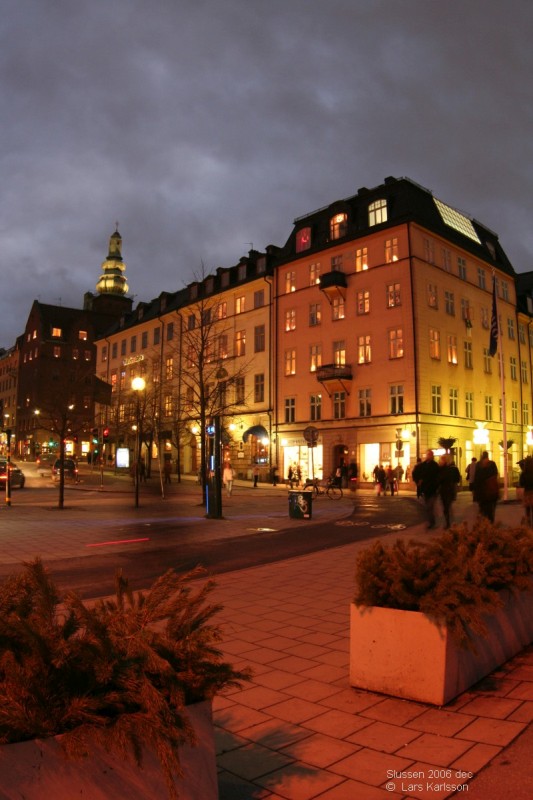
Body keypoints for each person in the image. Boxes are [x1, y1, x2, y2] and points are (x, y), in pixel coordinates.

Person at [412, 450, 440, 529]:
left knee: (429, 506)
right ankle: (431, 520)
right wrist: (418, 481)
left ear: (432, 456)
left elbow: (437, 477)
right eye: (427, 454)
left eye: (430, 455)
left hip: (432, 490)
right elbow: (415, 472)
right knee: (427, 507)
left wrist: (437, 486)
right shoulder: (423, 465)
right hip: (425, 490)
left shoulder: (435, 465)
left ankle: (432, 522)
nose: (428, 456)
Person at [472, 451, 499, 522]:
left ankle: (484, 525)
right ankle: (491, 524)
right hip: (491, 491)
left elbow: (476, 479)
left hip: (482, 492)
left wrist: (475, 493)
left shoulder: (478, 465)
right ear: (488, 456)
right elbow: (495, 475)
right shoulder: (492, 464)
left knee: (483, 510)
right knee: (491, 511)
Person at [438, 455, 461, 528]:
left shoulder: (446, 469)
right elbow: (457, 479)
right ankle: (450, 522)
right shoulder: (452, 469)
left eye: (441, 460)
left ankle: (449, 523)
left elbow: (440, 479)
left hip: (447, 490)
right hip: (448, 490)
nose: (440, 461)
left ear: (446, 461)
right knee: (447, 507)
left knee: (447, 507)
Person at [519, 457, 533, 526]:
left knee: (527, 510)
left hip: (527, 493)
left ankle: (529, 523)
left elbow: (521, 484)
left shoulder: (524, 473)